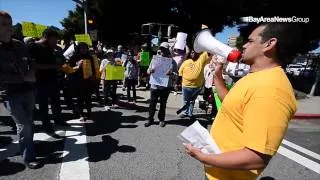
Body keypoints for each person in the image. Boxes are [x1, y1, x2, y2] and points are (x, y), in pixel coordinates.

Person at [184, 23, 303, 180]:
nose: (244, 45)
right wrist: (217, 75)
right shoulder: (257, 77)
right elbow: (230, 102)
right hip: (219, 171)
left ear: (270, 44)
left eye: (250, 41)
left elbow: (256, 157)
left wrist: (204, 158)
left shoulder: (271, 90)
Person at [0, 11, 40, 168]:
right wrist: (23, 78)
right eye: (4, 24)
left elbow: (31, 63)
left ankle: (30, 146)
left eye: (9, 24)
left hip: (28, 91)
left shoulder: (20, 45)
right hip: (10, 94)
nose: (9, 28)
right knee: (24, 125)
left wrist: (33, 72)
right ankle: (29, 157)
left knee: (30, 122)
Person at [145, 42, 178, 127]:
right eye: (161, 49)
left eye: (164, 49)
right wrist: (150, 71)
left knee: (163, 104)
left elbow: (176, 75)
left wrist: (171, 73)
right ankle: (150, 119)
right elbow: (148, 70)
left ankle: (161, 119)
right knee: (152, 103)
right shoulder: (155, 59)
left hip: (166, 86)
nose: (162, 51)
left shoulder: (172, 62)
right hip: (154, 85)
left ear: (168, 51)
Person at [178, 50, 212, 119]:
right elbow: (180, 73)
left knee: (192, 101)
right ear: (190, 54)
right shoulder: (186, 62)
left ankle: (190, 113)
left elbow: (208, 51)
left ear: (198, 53)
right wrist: (177, 83)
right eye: (192, 52)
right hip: (185, 86)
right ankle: (185, 113)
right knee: (185, 100)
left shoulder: (201, 60)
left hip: (196, 86)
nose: (193, 53)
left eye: (194, 52)